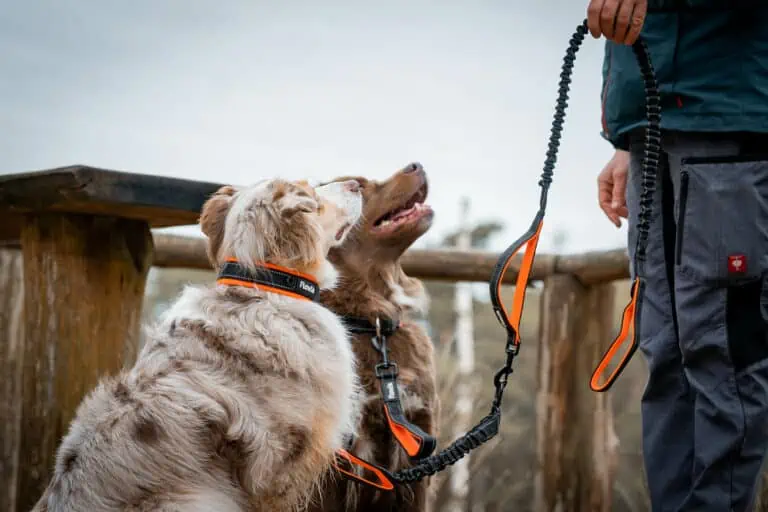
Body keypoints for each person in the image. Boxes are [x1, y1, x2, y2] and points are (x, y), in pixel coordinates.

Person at [588, 0, 768, 510]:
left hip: (730, 115)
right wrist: (626, 138)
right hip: (652, 126)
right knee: (665, 348)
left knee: (722, 349)